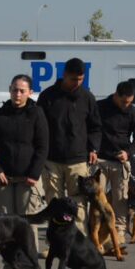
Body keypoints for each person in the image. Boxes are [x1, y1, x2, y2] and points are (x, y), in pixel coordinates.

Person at [35, 58, 101, 235]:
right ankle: (55, 241)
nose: (77, 83)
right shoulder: (47, 96)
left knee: (78, 202)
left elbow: (95, 126)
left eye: (80, 79)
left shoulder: (87, 97)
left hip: (78, 160)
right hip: (51, 159)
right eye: (73, 79)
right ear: (64, 75)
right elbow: (38, 126)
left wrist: (93, 148)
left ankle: (78, 242)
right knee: (54, 202)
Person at [0, 73, 49, 260]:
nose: (18, 94)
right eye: (14, 90)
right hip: (4, 179)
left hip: (27, 180)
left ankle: (29, 264)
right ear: (9, 90)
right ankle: (10, 264)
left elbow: (43, 146)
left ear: (30, 92)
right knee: (5, 225)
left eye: (22, 91)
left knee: (27, 223)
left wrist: (34, 173)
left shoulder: (37, 114)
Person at [96, 81, 135, 250]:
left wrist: (128, 153)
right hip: (100, 159)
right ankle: (96, 232)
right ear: (116, 95)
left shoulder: (134, 113)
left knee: (120, 199)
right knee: (99, 199)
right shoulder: (100, 107)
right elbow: (90, 129)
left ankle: (119, 232)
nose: (127, 105)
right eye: (124, 101)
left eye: (130, 102)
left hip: (121, 161)